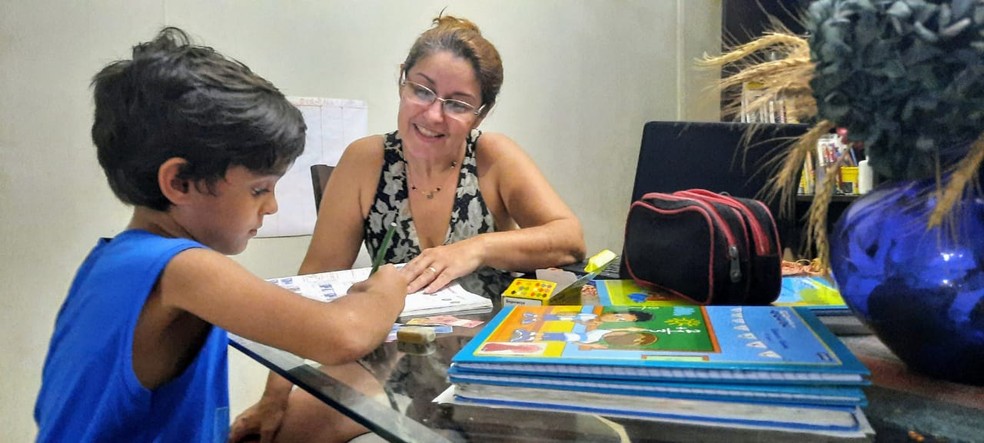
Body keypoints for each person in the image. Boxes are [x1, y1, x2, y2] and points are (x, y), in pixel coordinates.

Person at [32, 27, 409, 443]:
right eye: (259, 189)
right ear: (179, 181)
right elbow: (344, 335)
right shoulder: (181, 268)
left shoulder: (111, 259)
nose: (272, 206)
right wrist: (388, 286)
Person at [231, 13, 586, 442]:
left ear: (481, 112)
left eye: (457, 103)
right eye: (422, 90)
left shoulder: (494, 156)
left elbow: (569, 239)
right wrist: (274, 396)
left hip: (492, 354)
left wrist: (475, 249)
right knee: (281, 433)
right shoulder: (366, 161)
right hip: (392, 356)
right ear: (402, 81)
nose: (433, 115)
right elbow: (314, 280)